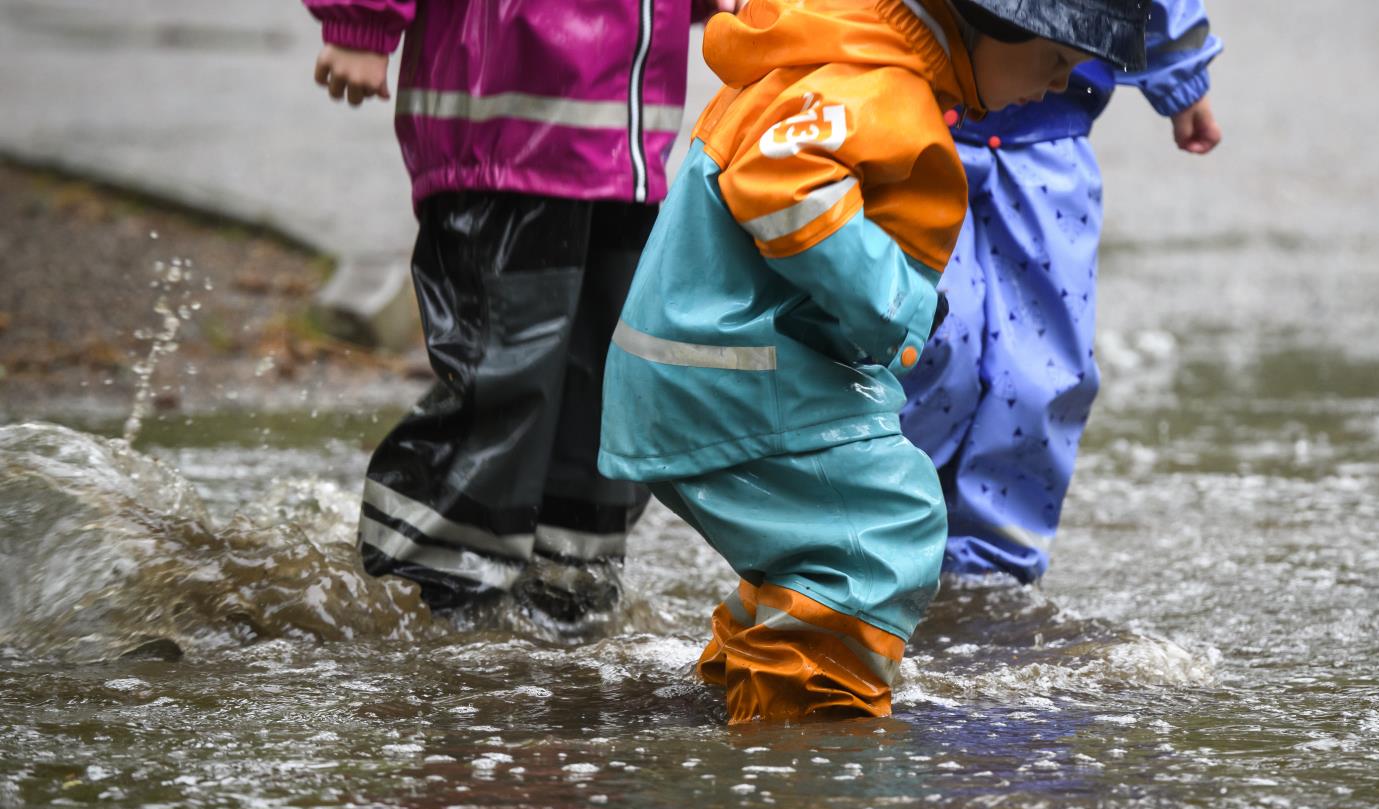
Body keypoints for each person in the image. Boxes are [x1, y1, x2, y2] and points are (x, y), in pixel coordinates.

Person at [596, 0, 1153, 723]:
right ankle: (808, 727)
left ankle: (750, 673)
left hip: (724, 360)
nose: (1061, 82)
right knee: (888, 519)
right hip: (733, 368)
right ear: (995, 24)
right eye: (1055, 59)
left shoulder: (865, 52)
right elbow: (779, 176)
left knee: (823, 536)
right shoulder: (878, 78)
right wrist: (899, 306)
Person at [300, 0, 718, 625]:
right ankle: (430, 602)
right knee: (504, 378)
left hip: (624, 141)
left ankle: (566, 598)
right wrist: (363, 19)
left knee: (607, 388)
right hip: (505, 113)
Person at [901, 0, 1222, 586]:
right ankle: (885, 535)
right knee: (926, 343)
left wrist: (1180, 69)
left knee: (1043, 372)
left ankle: (991, 579)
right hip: (909, 118)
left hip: (1049, 134)